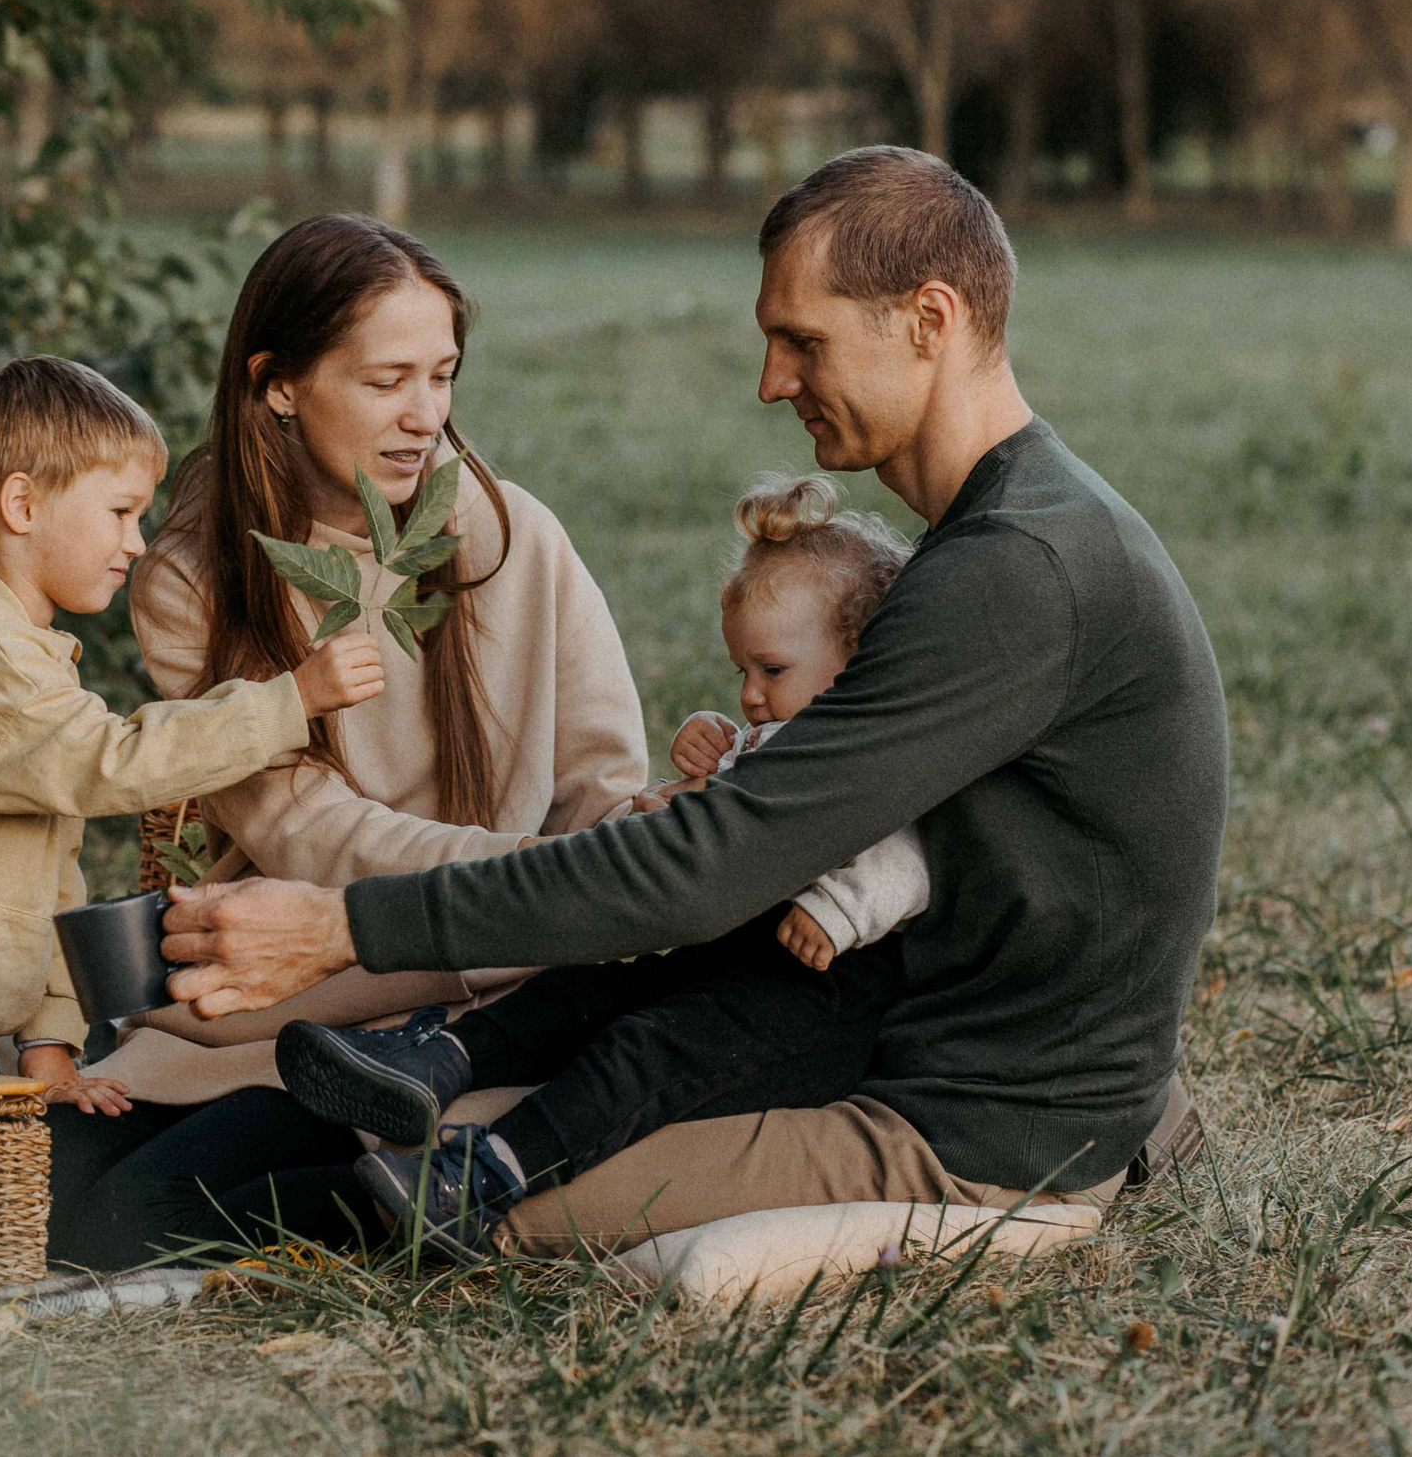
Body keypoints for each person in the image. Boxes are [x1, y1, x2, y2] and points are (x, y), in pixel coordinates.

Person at [161, 148, 1229, 1254]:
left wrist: (344, 927)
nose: (770, 382)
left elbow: (704, 873)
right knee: (425, 1127)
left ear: (929, 318)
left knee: (411, 1199)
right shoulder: (1005, 532)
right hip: (896, 1028)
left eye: (801, 341)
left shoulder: (1014, 573)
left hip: (975, 1122)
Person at [48, 215, 651, 1269]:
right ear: (278, 383)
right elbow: (306, 830)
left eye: (443, 376)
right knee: (51, 1205)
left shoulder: (516, 539)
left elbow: (603, 790)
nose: (424, 417)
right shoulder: (197, 578)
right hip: (282, 998)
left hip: (473, 1014)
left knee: (131, 1229)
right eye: (386, 383)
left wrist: (566, 893)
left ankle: (396, 1196)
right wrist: (542, 884)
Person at [277, 473, 931, 1257]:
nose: (753, 695)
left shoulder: (877, 747)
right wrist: (703, 767)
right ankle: (436, 1061)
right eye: (741, 675)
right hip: (734, 947)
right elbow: (739, 811)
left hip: (819, 996)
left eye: (771, 671)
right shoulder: (783, 729)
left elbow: (913, 847)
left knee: (646, 1050)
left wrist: (844, 909)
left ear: (856, 660)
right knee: (588, 987)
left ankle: (487, 1175)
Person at [0, 356, 385, 1112]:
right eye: (121, 512)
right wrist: (291, 701)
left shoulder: (24, 654)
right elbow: (111, 763)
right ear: (22, 504)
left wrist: (49, 1043)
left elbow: (49, 871)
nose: (140, 542)